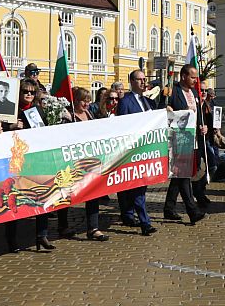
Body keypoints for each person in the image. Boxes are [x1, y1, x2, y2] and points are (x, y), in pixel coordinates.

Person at [4, 80, 60, 251]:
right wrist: (11, 127)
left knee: (41, 196)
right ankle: (12, 240)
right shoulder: (11, 111)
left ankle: (41, 235)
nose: (28, 94)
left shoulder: (38, 111)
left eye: (32, 92)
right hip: (16, 161)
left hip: (36, 160)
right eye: (25, 91)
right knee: (14, 199)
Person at [59, 86, 108, 241]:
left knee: (93, 193)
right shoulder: (68, 116)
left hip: (89, 161)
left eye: (88, 101)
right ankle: (63, 226)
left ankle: (93, 228)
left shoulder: (89, 114)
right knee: (67, 193)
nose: (86, 104)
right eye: (82, 101)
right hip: (72, 163)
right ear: (75, 101)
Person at [114, 69, 158, 236]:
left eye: (144, 79)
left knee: (137, 186)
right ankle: (145, 223)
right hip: (132, 150)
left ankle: (127, 214)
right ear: (131, 82)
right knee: (138, 188)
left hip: (146, 150)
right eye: (139, 79)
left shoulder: (147, 101)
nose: (142, 82)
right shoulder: (126, 101)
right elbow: (122, 126)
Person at [163, 65, 207, 223]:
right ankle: (192, 210)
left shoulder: (195, 92)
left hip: (192, 139)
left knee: (179, 175)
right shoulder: (172, 90)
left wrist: (202, 125)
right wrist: (168, 109)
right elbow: (163, 112)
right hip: (177, 139)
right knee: (183, 174)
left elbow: (198, 113)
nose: (195, 81)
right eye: (192, 77)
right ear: (183, 76)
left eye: (196, 78)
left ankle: (168, 208)